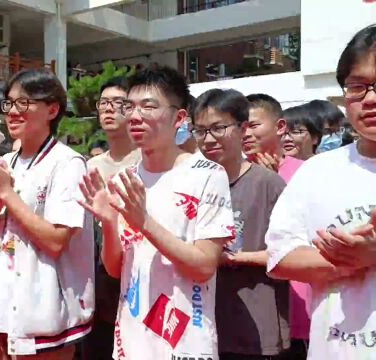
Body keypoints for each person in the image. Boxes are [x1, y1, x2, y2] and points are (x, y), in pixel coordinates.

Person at [79, 68, 235, 359]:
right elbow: (115, 270)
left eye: (148, 107)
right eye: (130, 107)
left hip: (186, 340)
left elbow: (203, 266)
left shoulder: (207, 175)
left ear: (179, 118)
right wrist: (109, 223)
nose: (135, 117)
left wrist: (144, 222)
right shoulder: (126, 179)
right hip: (131, 339)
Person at [265, 24, 376, 359]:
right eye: (358, 87)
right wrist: (348, 263)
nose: (369, 99)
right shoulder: (317, 172)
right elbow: (280, 258)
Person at [0, 69, 94, 359]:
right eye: (9, 104)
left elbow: (55, 241)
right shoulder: (4, 162)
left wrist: (6, 194)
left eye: (23, 103)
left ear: (52, 109)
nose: (12, 112)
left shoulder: (68, 164)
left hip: (45, 315)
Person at [191, 89, 290, 359]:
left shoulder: (268, 184)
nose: (208, 139)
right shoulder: (190, 183)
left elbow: (291, 253)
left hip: (255, 325)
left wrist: (233, 257)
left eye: (218, 128)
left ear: (242, 128)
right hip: (200, 323)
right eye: (199, 131)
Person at [244, 93, 309, 357]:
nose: (245, 133)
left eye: (253, 125)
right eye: (240, 125)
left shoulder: (308, 172)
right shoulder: (229, 175)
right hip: (252, 307)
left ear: (280, 127)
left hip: (298, 304)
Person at [83, 76, 140, 360]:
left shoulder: (146, 163)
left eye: (117, 103)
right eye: (103, 103)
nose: (108, 109)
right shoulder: (91, 165)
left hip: (135, 270)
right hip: (97, 273)